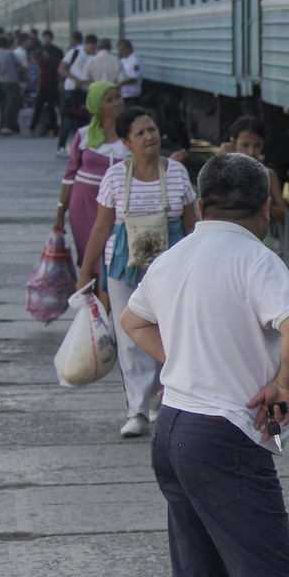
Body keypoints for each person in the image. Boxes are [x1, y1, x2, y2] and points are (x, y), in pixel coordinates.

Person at [114, 152, 289, 577]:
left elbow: (132, 320)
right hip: (224, 438)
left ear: (200, 207)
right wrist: (284, 384)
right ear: (265, 209)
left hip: (173, 427)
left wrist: (180, 360)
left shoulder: (175, 256)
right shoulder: (256, 257)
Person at [77, 105, 198, 437]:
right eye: (141, 132)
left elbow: (192, 225)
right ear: (126, 142)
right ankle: (137, 410)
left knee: (170, 331)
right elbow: (101, 229)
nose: (149, 136)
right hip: (123, 268)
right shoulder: (115, 176)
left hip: (170, 269)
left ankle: (165, 400)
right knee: (129, 335)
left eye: (152, 130)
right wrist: (87, 273)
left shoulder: (176, 173)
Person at [54, 79, 124, 266]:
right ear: (97, 106)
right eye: (109, 100)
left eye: (118, 97)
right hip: (83, 205)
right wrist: (60, 212)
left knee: (113, 259)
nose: (117, 103)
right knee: (88, 260)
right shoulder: (84, 134)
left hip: (118, 206)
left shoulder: (130, 133)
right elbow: (69, 176)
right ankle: (87, 295)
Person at [222, 117, 287, 224]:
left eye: (257, 146)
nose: (251, 152)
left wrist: (262, 205)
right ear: (233, 143)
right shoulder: (223, 172)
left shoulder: (268, 175)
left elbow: (284, 215)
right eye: (245, 145)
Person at [31, 29, 63, 138]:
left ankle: (32, 129)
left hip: (45, 87)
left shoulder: (43, 62)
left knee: (39, 108)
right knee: (51, 109)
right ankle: (54, 130)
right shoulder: (56, 60)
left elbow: (40, 74)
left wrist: (38, 87)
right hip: (53, 87)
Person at [0, 34, 26, 136]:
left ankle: (0, 125)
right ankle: (7, 126)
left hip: (0, 81)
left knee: (3, 104)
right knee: (11, 104)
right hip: (12, 81)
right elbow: (21, 66)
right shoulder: (10, 54)